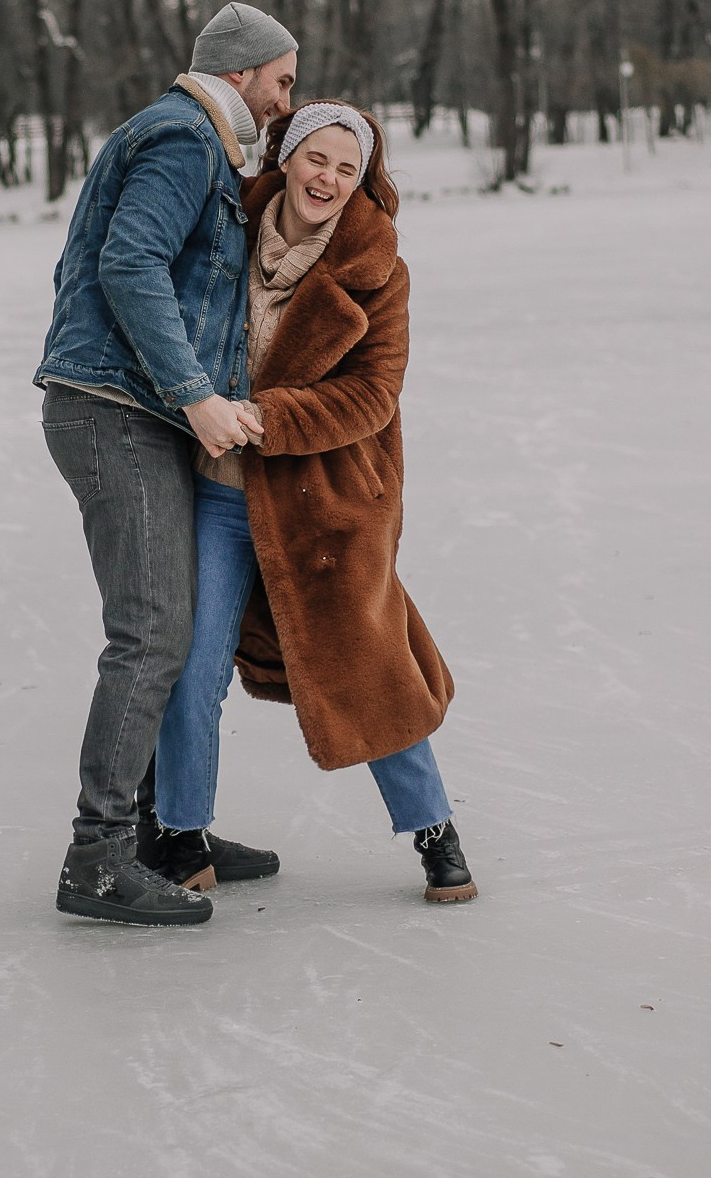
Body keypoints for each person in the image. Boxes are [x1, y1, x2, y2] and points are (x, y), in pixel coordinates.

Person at [141, 101, 478, 903]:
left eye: (347, 168)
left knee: (367, 660)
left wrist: (268, 418)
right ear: (286, 157)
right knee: (191, 668)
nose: (328, 178)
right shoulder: (224, 237)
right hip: (219, 495)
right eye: (317, 159)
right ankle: (184, 834)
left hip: (326, 499)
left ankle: (436, 832)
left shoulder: (378, 270)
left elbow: (373, 394)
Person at [35, 2, 298, 927]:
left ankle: (157, 830)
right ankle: (99, 857)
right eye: (282, 81)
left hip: (135, 411)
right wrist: (195, 392)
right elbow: (129, 265)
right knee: (149, 635)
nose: (286, 101)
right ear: (241, 73)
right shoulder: (185, 138)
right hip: (116, 413)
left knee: (172, 633)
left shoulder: (200, 142)